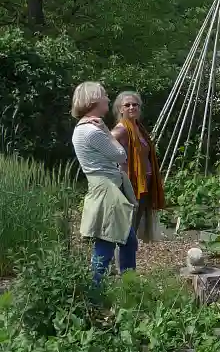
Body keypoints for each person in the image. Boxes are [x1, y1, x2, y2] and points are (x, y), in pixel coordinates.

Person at [70, 81, 137, 284]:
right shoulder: (93, 131)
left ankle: (127, 287)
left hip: (104, 188)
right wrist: (108, 133)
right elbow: (120, 155)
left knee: (126, 240)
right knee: (107, 243)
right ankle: (98, 293)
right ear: (93, 100)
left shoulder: (82, 128)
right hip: (108, 191)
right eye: (104, 95)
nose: (108, 98)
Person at [111, 91, 165, 241]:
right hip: (130, 184)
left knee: (134, 224)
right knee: (127, 225)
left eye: (135, 104)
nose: (131, 107)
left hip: (144, 183)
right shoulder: (122, 129)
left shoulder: (138, 128)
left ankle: (128, 260)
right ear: (120, 109)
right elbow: (105, 144)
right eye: (127, 105)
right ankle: (122, 260)